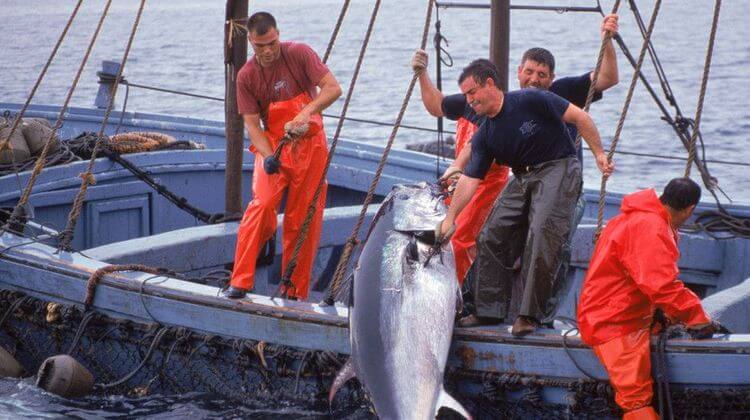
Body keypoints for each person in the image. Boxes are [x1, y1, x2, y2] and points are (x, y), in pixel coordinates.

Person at [413, 14, 619, 286]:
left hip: (563, 188)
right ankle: (493, 302)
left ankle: (537, 315)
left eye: (542, 75)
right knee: (500, 242)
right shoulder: (498, 105)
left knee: (552, 248)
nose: (535, 79)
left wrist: (608, 39)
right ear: (519, 71)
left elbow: (607, 77)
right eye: (530, 72)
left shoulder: (564, 91)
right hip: (526, 187)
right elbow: (438, 106)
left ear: (552, 78)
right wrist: (422, 74)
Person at [436, 59, 614, 336]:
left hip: (559, 166)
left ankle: (531, 316)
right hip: (523, 176)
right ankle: (487, 310)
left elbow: (581, 118)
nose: (468, 101)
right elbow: (470, 180)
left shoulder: (531, 99)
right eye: (466, 95)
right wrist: (450, 219)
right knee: (490, 235)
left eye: (472, 93)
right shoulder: (487, 134)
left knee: (543, 232)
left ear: (490, 84)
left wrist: (599, 154)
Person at [577, 178, 723, 419]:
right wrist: (696, 317)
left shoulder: (636, 217)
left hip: (615, 310)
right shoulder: (650, 227)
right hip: (613, 322)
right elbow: (662, 286)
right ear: (690, 210)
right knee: (635, 401)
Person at [224, 12, 342, 300]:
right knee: (261, 206)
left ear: (278, 35)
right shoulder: (247, 76)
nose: (267, 51)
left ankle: (294, 291)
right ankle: (240, 280)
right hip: (275, 144)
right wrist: (267, 156)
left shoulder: (299, 53)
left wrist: (306, 112)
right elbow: (252, 124)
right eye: (260, 46)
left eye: (272, 43)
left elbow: (333, 88)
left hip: (311, 146)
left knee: (303, 221)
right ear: (251, 42)